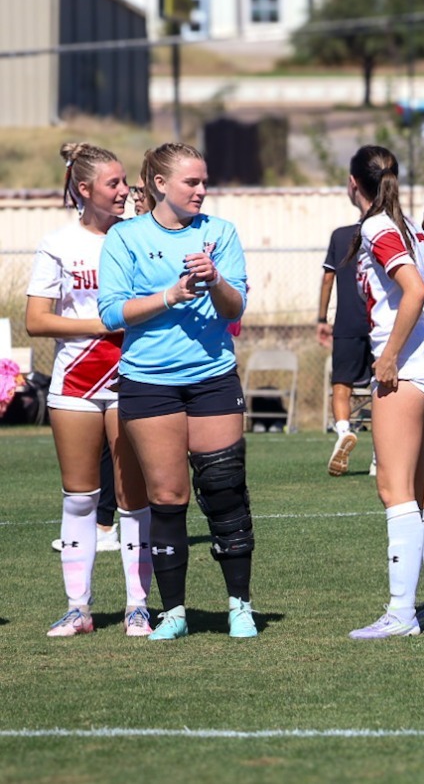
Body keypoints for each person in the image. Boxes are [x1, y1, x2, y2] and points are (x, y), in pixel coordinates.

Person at [97, 143, 254, 640]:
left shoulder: (220, 233)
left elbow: (235, 308)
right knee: (167, 497)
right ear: (160, 184)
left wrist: (216, 279)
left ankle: (240, 607)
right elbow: (111, 312)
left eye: (205, 181)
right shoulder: (125, 237)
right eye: (192, 182)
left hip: (212, 377)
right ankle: (174, 613)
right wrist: (171, 295)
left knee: (225, 490)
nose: (202, 190)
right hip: (149, 383)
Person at [27, 143, 152, 637]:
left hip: (133, 376)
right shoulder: (58, 243)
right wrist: (102, 324)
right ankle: (78, 608)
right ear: (84, 189)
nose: (124, 191)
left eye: (125, 182)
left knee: (132, 498)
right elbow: (37, 320)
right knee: (79, 497)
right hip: (75, 381)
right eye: (113, 183)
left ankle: (138, 606)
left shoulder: (140, 237)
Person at [345, 145, 424, 639]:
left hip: (411, 369)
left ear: (354, 183)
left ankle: (400, 613)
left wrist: (389, 356)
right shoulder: (409, 225)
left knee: (395, 490)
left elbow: (414, 289)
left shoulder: (378, 227)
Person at [318, 216, 372, 476]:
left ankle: (343, 432)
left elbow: (328, 279)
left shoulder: (340, 236)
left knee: (341, 385)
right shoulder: (390, 232)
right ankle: (380, 456)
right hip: (380, 322)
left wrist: (321, 318)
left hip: (346, 322)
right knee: (382, 388)